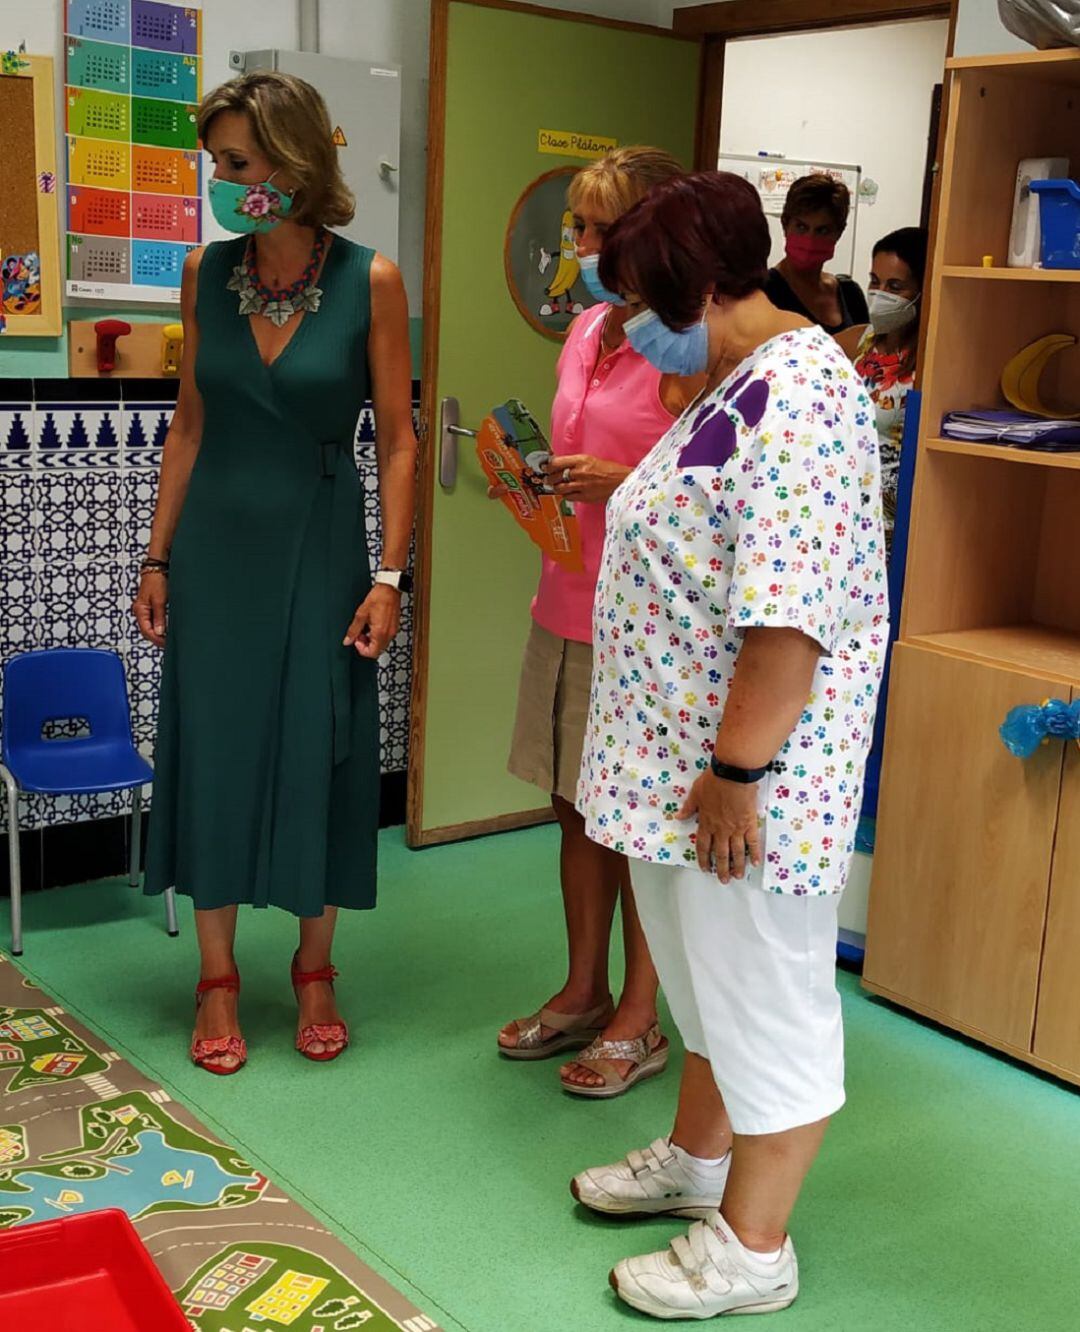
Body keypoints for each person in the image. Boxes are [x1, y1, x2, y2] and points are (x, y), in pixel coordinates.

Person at [571, 172, 887, 1317]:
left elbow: (788, 619)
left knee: (765, 999)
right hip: (677, 769)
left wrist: (736, 773)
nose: (631, 326)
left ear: (707, 284)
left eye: (642, 302)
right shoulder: (736, 381)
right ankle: (698, 1166)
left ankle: (754, 1249)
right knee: (708, 988)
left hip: (746, 784)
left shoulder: (803, 393)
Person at [134, 72, 417, 1074]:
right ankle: (217, 979)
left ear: (295, 163)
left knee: (318, 745)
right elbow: (188, 426)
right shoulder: (205, 275)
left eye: (239, 163)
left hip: (323, 542)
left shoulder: (371, 281)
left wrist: (390, 574)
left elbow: (400, 441)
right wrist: (157, 555)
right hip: (215, 551)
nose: (224, 180)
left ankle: (314, 965)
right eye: (217, 164)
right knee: (212, 746)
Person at [497, 147, 706, 1097]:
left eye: (594, 230)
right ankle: (582, 990)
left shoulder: (694, 342)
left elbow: (715, 490)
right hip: (567, 596)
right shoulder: (587, 330)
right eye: (576, 229)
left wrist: (622, 482)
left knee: (644, 824)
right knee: (574, 804)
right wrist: (538, 471)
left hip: (653, 622)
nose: (576, 247)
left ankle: (640, 1016)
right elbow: (579, 441)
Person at [854, 226, 927, 552]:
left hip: (893, 528)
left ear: (921, 291)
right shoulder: (864, 340)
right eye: (874, 281)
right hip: (847, 511)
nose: (879, 293)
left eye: (894, 286)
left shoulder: (928, 361)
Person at [764, 173, 869, 336]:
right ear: (785, 224)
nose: (810, 240)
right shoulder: (764, 291)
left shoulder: (850, 295)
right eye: (801, 227)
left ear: (839, 233)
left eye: (822, 230)